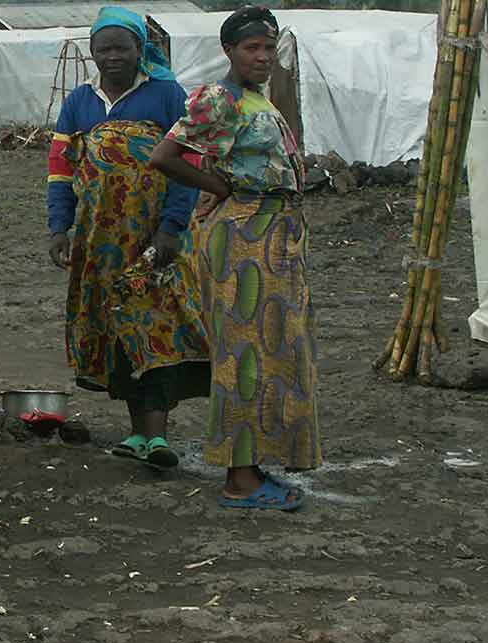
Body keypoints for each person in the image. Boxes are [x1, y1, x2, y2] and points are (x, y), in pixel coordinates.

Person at [150, 5, 323, 510]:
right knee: (244, 354)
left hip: (273, 238)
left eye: (269, 47)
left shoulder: (254, 100)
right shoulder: (218, 99)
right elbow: (165, 157)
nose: (262, 56)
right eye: (252, 48)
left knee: (271, 353)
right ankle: (239, 480)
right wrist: (215, 185)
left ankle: (253, 463)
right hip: (244, 239)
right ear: (229, 50)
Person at [46, 6, 210, 468]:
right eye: (103, 49)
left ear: (140, 49)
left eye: (122, 48)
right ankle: (138, 433)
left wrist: (172, 226)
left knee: (155, 324)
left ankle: (157, 435)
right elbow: (61, 171)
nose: (112, 57)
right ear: (92, 52)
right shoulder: (79, 102)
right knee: (115, 325)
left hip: (157, 236)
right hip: (100, 242)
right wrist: (60, 228)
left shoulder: (165, 95)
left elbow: (189, 164)